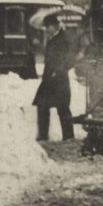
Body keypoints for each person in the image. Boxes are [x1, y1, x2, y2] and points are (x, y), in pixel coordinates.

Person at [33, 13, 76, 142]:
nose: (46, 29)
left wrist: (59, 70)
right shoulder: (52, 39)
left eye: (48, 26)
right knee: (42, 106)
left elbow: (70, 58)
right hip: (49, 79)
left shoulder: (64, 39)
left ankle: (68, 137)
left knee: (62, 108)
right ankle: (43, 135)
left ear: (55, 26)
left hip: (59, 80)